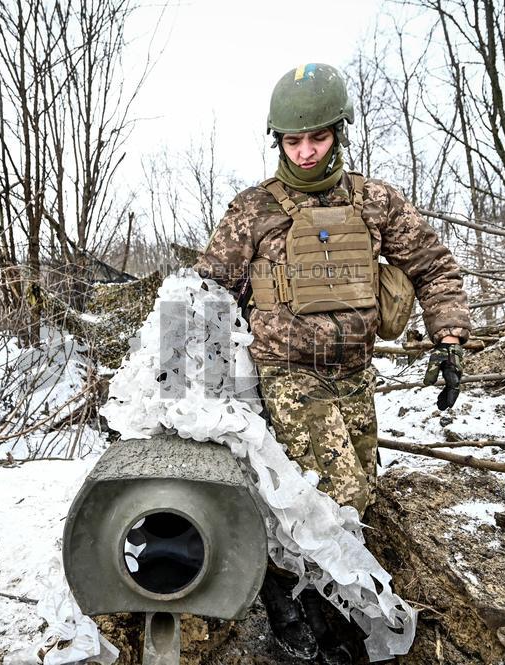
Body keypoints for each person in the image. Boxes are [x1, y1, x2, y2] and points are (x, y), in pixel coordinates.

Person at [194, 63, 471, 664]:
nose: (307, 150)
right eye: (294, 141)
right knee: (333, 493)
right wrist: (180, 381)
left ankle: (300, 584)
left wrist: (448, 336)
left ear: (339, 132)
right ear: (278, 142)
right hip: (288, 372)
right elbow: (204, 291)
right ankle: (307, 611)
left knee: (358, 496)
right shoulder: (253, 211)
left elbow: (431, 265)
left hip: (354, 373)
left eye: (317, 137)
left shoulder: (374, 201)